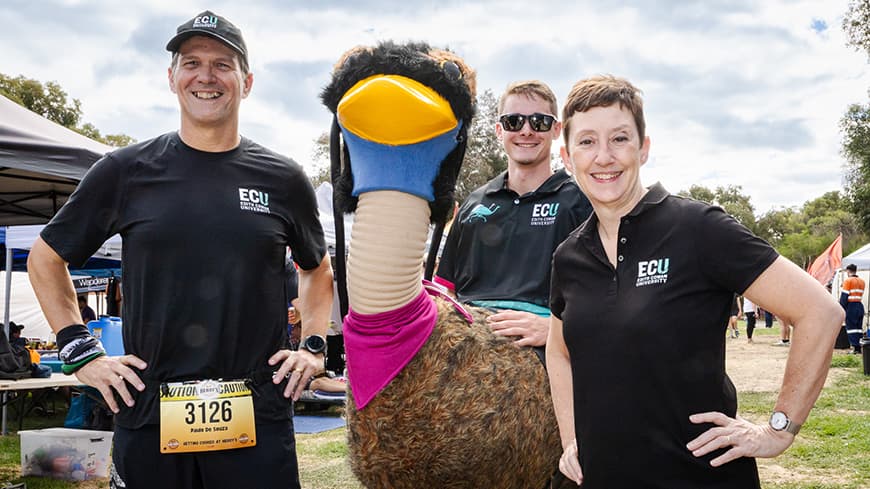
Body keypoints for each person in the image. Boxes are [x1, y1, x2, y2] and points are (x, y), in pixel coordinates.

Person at [26, 10, 333, 489]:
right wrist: (81, 352)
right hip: (149, 408)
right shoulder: (124, 171)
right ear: (172, 78)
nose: (205, 76)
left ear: (246, 82)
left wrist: (313, 347)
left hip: (255, 408)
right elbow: (46, 258)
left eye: (222, 64)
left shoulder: (284, 179)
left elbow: (318, 270)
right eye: (191, 62)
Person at [547, 74, 844, 488]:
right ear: (566, 155)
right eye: (587, 142)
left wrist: (778, 430)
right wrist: (571, 437)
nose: (603, 157)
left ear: (643, 148)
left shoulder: (699, 229)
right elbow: (558, 350)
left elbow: (821, 312)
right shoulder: (568, 257)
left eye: (619, 139)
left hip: (699, 477)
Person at [434, 80, 592, 350]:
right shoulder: (474, 204)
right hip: (467, 338)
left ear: (556, 130)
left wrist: (556, 330)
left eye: (539, 122)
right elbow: (445, 290)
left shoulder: (580, 203)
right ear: (499, 130)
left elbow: (606, 293)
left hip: (540, 345)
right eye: (514, 121)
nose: (527, 131)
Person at [840, 263, 866, 354]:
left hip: (851, 306)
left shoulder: (848, 281)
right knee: (858, 328)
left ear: (848, 271)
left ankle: (855, 348)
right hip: (859, 305)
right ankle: (858, 347)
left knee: (851, 327)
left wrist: (841, 307)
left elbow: (844, 296)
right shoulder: (862, 281)